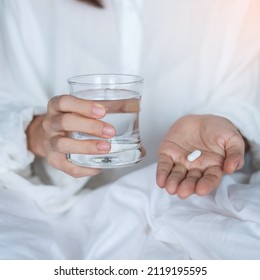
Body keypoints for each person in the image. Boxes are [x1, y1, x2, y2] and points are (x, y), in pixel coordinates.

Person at [0, 0, 260, 259]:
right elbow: (6, 101)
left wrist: (230, 125)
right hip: (56, 210)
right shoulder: (26, 6)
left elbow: (245, 99)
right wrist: (37, 134)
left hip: (188, 204)